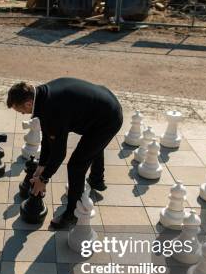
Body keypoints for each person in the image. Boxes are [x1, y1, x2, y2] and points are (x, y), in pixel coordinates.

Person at [7, 78, 123, 228]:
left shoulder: (51, 110)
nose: (23, 114)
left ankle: (71, 215)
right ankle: (97, 179)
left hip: (108, 119)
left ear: (28, 103)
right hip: (103, 103)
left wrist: (43, 178)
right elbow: (48, 140)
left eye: (21, 111)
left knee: (76, 165)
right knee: (91, 147)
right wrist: (41, 165)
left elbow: (59, 153)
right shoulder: (43, 95)